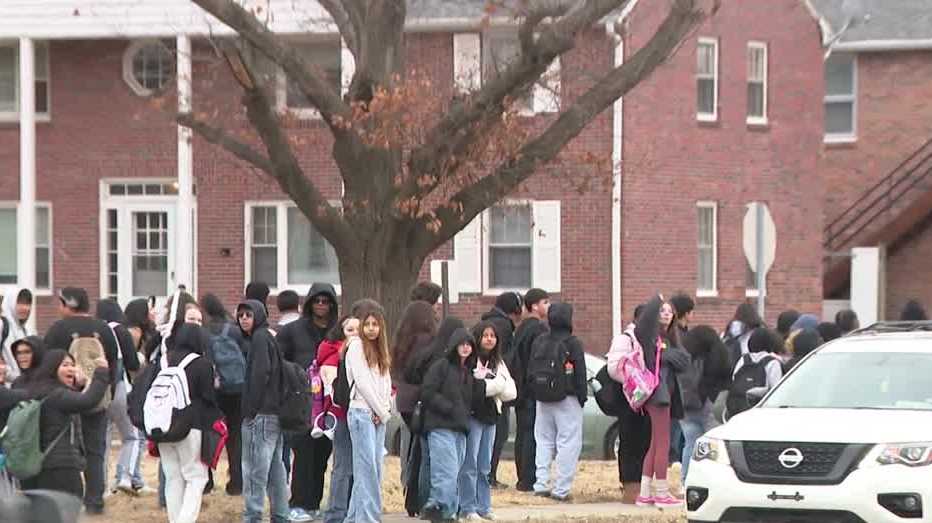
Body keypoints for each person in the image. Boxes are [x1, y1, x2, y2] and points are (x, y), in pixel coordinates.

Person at [43, 287, 121, 516]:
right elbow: (114, 366)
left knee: (67, 451)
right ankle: (95, 501)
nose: (59, 308)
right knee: (95, 451)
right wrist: (107, 392)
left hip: (67, 401)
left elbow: (48, 365)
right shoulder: (104, 329)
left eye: (60, 303)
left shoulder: (58, 329)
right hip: (98, 399)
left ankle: (69, 499)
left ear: (68, 304)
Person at [277, 283, 339, 522]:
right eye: (317, 300)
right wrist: (297, 377)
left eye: (325, 301)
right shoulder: (292, 331)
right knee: (303, 453)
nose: (321, 305)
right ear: (310, 302)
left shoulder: (337, 331)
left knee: (322, 454)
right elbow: (279, 361)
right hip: (302, 403)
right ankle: (298, 503)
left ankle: (313, 503)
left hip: (330, 404)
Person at [20, 350, 110, 498]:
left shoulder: (37, 390)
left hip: (36, 467)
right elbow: (88, 401)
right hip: (60, 466)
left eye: (73, 365)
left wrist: (79, 386)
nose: (71, 369)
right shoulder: (56, 394)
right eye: (65, 365)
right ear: (52, 367)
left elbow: (72, 402)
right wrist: (101, 373)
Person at [156, 323, 220, 523]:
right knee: (196, 477)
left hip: (162, 425)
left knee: (173, 477)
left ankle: (175, 519)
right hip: (192, 426)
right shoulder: (202, 364)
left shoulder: (163, 361)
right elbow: (209, 398)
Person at [404, 316, 466, 516]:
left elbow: (411, 375)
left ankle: (420, 502)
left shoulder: (425, 353)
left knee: (423, 461)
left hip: (422, 414)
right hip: (439, 416)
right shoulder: (444, 361)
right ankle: (436, 505)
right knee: (442, 466)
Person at [421, 327, 483, 523]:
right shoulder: (441, 366)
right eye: (462, 344)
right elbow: (428, 393)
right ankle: (442, 511)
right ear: (454, 345)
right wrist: (449, 408)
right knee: (445, 473)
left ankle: (447, 510)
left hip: (460, 429)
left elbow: (472, 401)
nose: (465, 348)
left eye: (469, 345)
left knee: (453, 473)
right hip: (440, 426)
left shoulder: (469, 373)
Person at [530, 303, 588, 502]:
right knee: (568, 442)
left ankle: (541, 483)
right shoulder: (573, 343)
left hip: (542, 398)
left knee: (543, 441)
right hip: (568, 398)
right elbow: (580, 372)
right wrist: (582, 396)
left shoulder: (539, 341)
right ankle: (561, 489)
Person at [635, 296, 689, 508]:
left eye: (669, 311)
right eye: (662, 310)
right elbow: (676, 359)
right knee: (663, 443)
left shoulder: (671, 338)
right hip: (658, 395)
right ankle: (662, 493)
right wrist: (656, 299)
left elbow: (684, 361)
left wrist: (669, 354)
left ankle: (645, 493)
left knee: (655, 444)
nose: (666, 314)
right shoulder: (650, 337)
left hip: (662, 395)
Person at [459, 321, 516, 521]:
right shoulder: (471, 360)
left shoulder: (498, 362)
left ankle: (484, 506)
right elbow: (473, 389)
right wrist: (494, 386)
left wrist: (492, 386)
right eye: (485, 335)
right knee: (470, 464)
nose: (489, 339)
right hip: (473, 417)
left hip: (491, 418)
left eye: (493, 336)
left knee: (485, 466)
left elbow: (511, 390)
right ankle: (468, 506)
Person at [238, 299, 288, 523]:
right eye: (241, 315)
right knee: (276, 469)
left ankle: (252, 516)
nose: (244, 319)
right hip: (275, 414)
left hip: (260, 415)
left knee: (253, 470)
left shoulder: (259, 339)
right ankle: (280, 514)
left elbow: (261, 374)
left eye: (249, 314)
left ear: (258, 315)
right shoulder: (268, 337)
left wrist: (250, 410)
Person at [344, 304, 393, 523]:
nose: (372, 329)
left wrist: (384, 410)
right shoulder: (355, 346)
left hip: (378, 415)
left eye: (376, 324)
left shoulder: (381, 351)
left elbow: (386, 382)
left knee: (373, 471)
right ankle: (369, 519)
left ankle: (354, 518)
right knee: (367, 472)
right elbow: (362, 382)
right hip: (361, 413)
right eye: (368, 324)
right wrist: (380, 411)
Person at [96, 299, 146, 495]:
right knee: (131, 436)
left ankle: (102, 485)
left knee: (103, 440)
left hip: (98, 392)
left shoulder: (96, 329)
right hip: (119, 388)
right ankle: (125, 476)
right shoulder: (119, 330)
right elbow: (132, 364)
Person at [202, 293, 247, 496]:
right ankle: (237, 482)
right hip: (237, 390)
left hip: (213, 390)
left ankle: (207, 481)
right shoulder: (235, 331)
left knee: (210, 433)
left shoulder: (203, 332)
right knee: (235, 435)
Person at [606, 304, 650, 504]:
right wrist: (634, 380)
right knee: (629, 440)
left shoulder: (654, 339)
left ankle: (643, 482)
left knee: (645, 440)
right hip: (628, 397)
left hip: (648, 398)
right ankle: (630, 482)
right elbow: (613, 368)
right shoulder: (625, 340)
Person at [392, 301, 437, 495]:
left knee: (412, 447)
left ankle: (409, 488)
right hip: (421, 400)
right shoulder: (428, 342)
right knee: (424, 451)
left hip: (404, 400)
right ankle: (419, 494)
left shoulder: (402, 341)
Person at [677, 325, 731, 481]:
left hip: (686, 406)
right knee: (715, 445)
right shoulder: (719, 356)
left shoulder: (685, 357)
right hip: (710, 405)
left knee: (690, 443)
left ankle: (686, 480)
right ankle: (715, 479)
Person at [480, 292, 522, 489]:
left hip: (484, 385)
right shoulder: (504, 326)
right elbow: (507, 357)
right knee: (499, 433)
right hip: (497, 387)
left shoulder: (486, 322)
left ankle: (487, 474)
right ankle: (490, 475)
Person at [511, 288, 550, 492]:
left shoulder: (521, 329)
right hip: (532, 389)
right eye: (545, 302)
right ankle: (529, 479)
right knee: (533, 435)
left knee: (522, 433)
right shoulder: (539, 330)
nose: (548, 306)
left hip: (519, 388)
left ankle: (522, 477)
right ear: (534, 305)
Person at [727, 327, 784, 416]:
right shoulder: (772, 362)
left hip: (738, 409)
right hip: (760, 410)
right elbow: (775, 389)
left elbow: (735, 379)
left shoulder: (743, 359)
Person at [1, 288, 34, 383]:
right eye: (19, 303)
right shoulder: (2, 326)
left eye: (28, 304)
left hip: (24, 387)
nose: (25, 308)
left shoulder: (28, 330)